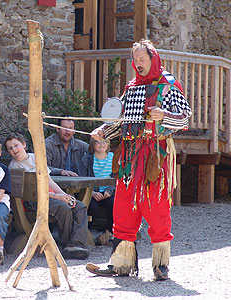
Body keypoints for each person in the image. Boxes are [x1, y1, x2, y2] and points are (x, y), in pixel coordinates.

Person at [86, 40, 191, 280]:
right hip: (129, 157)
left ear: (153, 59)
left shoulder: (169, 85)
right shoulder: (131, 87)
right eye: (135, 60)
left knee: (156, 208)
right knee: (123, 207)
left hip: (155, 155)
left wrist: (164, 114)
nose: (139, 64)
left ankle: (160, 264)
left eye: (143, 60)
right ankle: (121, 264)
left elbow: (184, 119)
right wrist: (103, 131)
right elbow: (121, 121)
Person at [5, 133, 90, 259]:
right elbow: (32, 192)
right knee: (63, 208)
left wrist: (64, 195)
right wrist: (57, 197)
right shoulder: (14, 167)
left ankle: (76, 244)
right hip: (33, 201)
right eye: (10, 148)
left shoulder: (36, 158)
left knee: (79, 206)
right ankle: (66, 244)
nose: (14, 150)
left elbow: (49, 181)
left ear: (24, 144)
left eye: (16, 145)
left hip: (50, 195)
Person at [77, 138, 115, 246]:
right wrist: (92, 192)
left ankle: (108, 233)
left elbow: (118, 178)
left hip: (109, 192)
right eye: (98, 142)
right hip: (92, 193)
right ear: (93, 144)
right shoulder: (87, 159)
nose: (102, 144)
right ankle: (88, 232)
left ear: (108, 144)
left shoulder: (113, 159)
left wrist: (110, 190)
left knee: (114, 204)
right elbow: (82, 177)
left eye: (105, 142)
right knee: (91, 207)